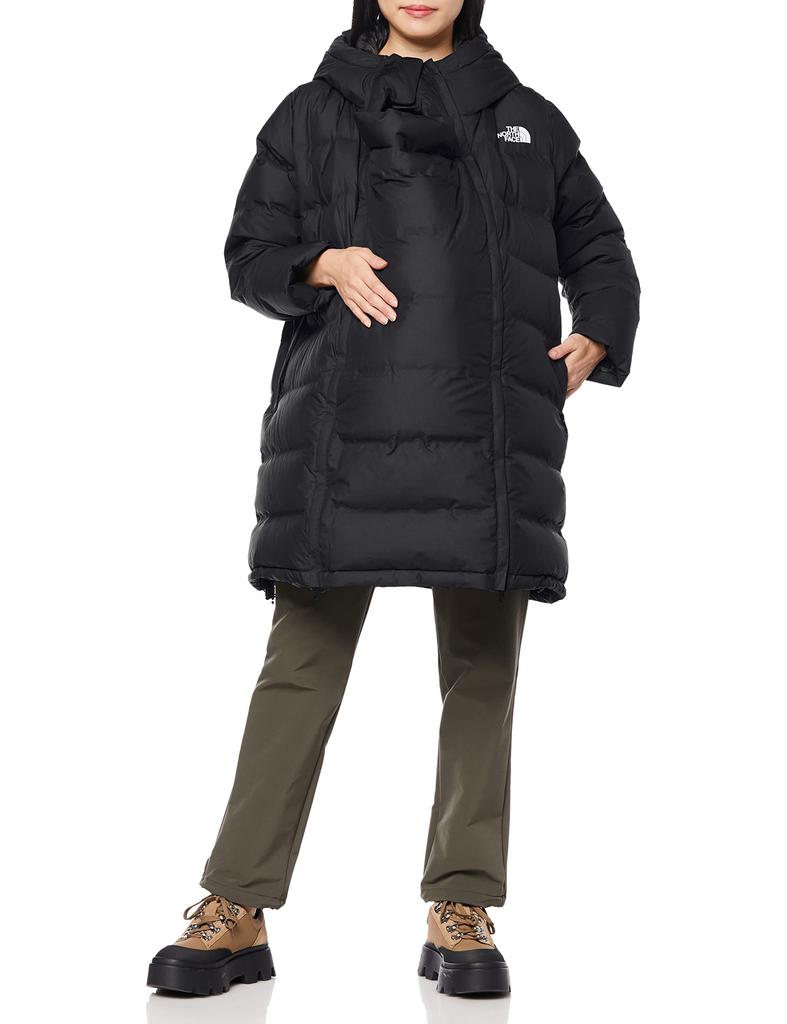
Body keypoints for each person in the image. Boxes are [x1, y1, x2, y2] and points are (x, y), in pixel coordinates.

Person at [146, 0, 639, 999]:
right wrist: (316, 262)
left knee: (482, 668)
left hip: (490, 435)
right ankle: (236, 903)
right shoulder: (310, 113)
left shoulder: (527, 119)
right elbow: (249, 253)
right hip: (340, 428)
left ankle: (462, 904)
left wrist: (597, 330)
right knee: (300, 668)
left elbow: (599, 247)